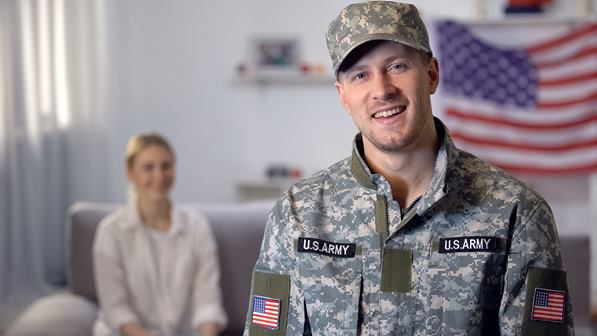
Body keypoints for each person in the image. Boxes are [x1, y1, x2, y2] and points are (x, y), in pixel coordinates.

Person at [244, 2, 573, 335]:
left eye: (397, 66)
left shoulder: (516, 215)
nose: (382, 90)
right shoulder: (296, 215)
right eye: (360, 74)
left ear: (431, 75)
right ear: (344, 97)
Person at [93, 133, 227, 336]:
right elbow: (116, 308)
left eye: (166, 166)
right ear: (130, 173)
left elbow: (207, 303)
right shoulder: (110, 232)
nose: (159, 176)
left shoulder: (197, 227)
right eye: (148, 167)